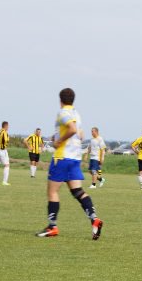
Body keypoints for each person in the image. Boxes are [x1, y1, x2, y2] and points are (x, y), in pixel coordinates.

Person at [36, 88, 103, 240]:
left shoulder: (62, 113)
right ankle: (94, 220)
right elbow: (81, 134)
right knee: (78, 192)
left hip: (61, 158)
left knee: (52, 192)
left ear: (60, 100)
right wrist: (58, 136)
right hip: (74, 159)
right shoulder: (76, 114)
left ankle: (52, 227)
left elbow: (72, 130)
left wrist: (59, 141)